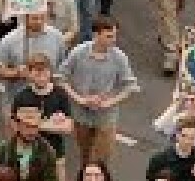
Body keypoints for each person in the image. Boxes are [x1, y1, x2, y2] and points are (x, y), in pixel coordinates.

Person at [57, 15, 139, 164]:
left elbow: (130, 87)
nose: (113, 40)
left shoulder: (120, 57)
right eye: (109, 36)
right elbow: (61, 77)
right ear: (96, 35)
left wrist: (110, 102)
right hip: (81, 114)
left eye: (114, 36)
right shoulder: (78, 53)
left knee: (101, 159)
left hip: (106, 117)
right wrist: (78, 98)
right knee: (85, 155)